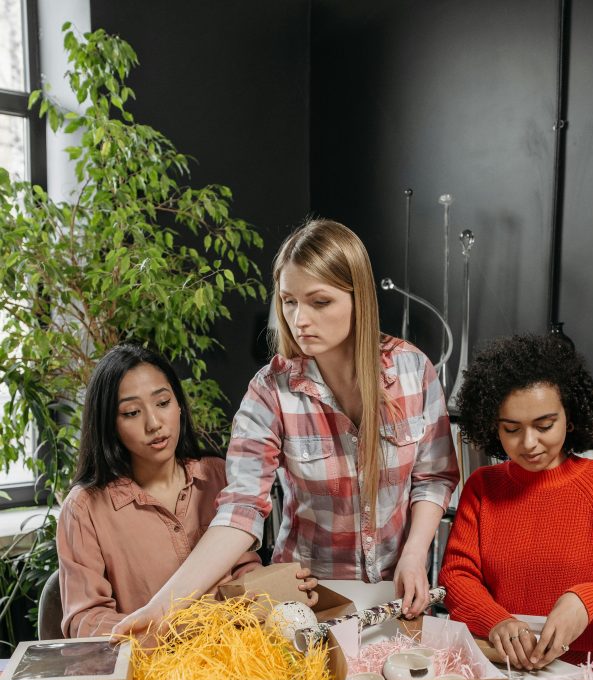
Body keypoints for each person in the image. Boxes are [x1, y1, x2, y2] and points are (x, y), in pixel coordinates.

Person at [118, 218, 459, 635]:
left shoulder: (412, 370)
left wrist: (413, 554)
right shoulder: (270, 391)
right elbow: (240, 511)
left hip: (396, 591)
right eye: (289, 302)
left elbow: (434, 477)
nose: (299, 320)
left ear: (359, 299)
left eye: (319, 302)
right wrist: (164, 605)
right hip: (308, 598)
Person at [438, 333, 593, 674]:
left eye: (544, 425)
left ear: (569, 417)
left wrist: (587, 602)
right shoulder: (482, 487)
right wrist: (495, 621)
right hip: (504, 672)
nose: (529, 443)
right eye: (511, 428)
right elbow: (457, 578)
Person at [57, 345, 313, 637]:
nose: (154, 424)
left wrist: (283, 591)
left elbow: (244, 573)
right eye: (131, 412)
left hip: (236, 657)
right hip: (153, 671)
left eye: (163, 403)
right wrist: (170, 632)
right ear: (108, 424)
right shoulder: (84, 509)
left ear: (179, 404)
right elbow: (86, 621)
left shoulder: (217, 474)